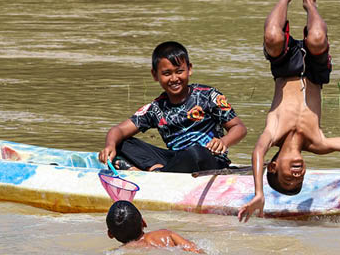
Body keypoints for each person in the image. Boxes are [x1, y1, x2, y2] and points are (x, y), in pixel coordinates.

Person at [238, 0, 340, 222]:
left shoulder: (273, 132)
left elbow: (257, 152)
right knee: (316, 38)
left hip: (285, 69)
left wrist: (259, 193)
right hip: (314, 74)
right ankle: (310, 2)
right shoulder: (318, 143)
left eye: (288, 177)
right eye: (298, 179)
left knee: (272, 36)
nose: (297, 175)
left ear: (274, 166)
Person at [98, 41, 247, 173]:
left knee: (195, 153)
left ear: (189, 69)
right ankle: (158, 170)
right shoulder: (156, 108)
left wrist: (224, 142)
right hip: (175, 159)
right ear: (155, 75)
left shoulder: (208, 96)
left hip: (210, 160)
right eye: (167, 73)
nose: (174, 79)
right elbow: (118, 130)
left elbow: (239, 127)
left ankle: (155, 173)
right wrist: (110, 146)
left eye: (179, 71)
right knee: (122, 143)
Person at [106, 200, 204, 253]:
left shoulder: (120, 252)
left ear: (110, 234)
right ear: (144, 222)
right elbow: (194, 251)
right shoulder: (166, 235)